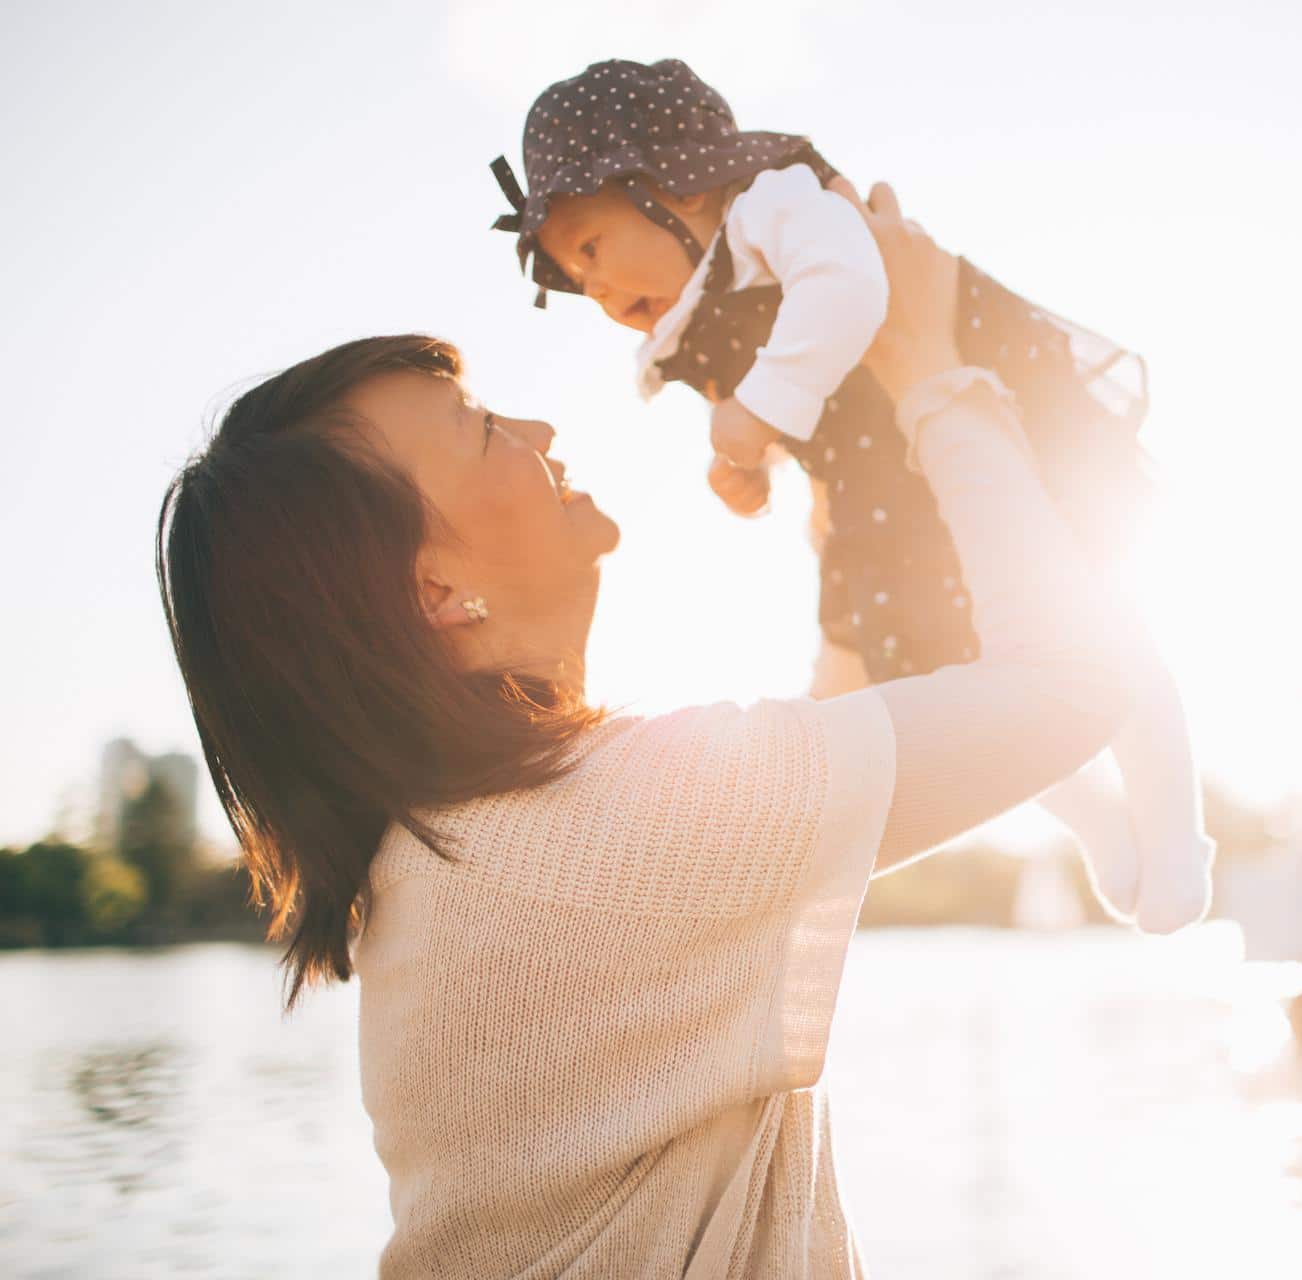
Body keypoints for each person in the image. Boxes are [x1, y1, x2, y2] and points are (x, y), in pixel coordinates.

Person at [157, 182, 1141, 1276]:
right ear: (435, 589)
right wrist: (931, 374)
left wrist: (849, 526)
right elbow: (1072, 681)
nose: (536, 428)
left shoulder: (463, 846)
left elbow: (824, 755)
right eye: (485, 432)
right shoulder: (606, 823)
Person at [488, 57, 1213, 932]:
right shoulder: (698, 317)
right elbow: (777, 420)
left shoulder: (772, 207)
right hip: (888, 497)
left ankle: (1177, 832)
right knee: (943, 666)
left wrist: (760, 410)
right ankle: (1097, 817)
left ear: (672, 187)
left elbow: (851, 288)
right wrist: (748, 468)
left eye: (592, 248)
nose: (598, 291)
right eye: (575, 277)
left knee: (1091, 611)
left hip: (993, 419)